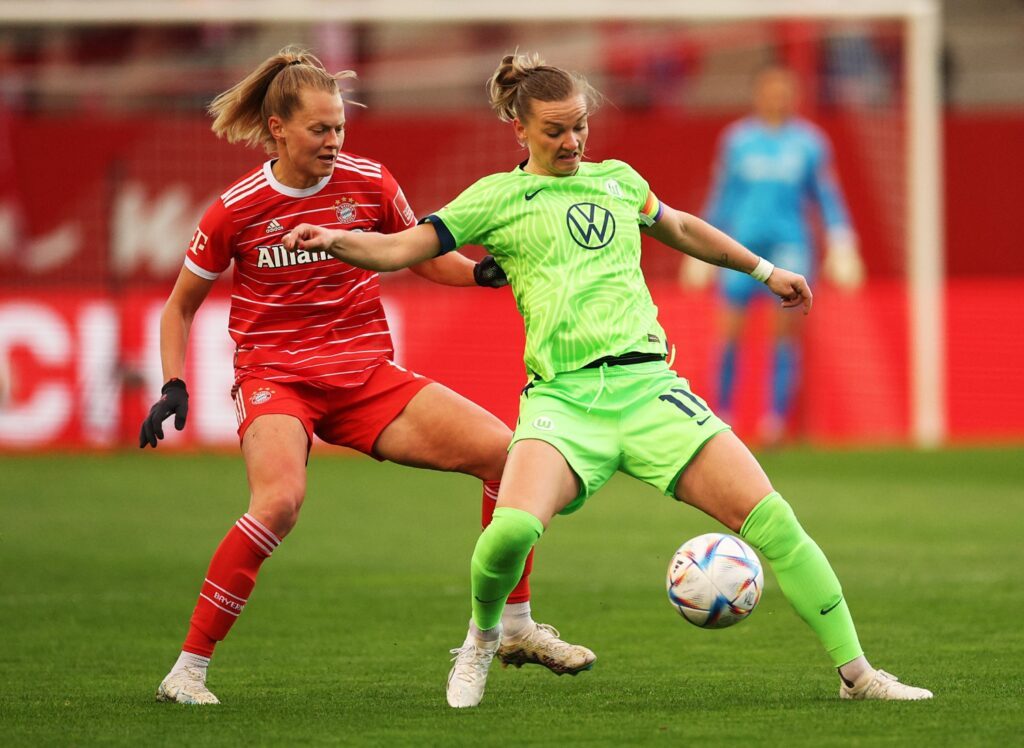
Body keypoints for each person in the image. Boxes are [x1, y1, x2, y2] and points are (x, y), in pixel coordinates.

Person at [281, 52, 933, 709]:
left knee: (776, 524)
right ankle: (482, 641)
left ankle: (859, 675)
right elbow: (402, 248)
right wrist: (334, 239)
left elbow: (677, 226)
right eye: (555, 130)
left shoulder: (619, 180)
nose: (571, 142)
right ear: (520, 130)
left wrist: (763, 271)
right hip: (563, 403)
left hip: (651, 391)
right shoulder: (495, 198)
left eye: (580, 127)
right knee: (509, 532)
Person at [140, 47, 594, 706]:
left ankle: (516, 626)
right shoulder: (236, 209)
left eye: (339, 129)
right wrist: (172, 382)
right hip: (277, 378)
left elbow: (424, 260)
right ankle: (188, 669)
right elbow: (180, 305)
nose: (333, 141)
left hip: (363, 376)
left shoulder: (370, 183)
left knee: (508, 456)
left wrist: (481, 273)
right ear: (278, 129)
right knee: (278, 503)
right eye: (319, 130)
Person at [682, 64, 865, 444]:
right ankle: (722, 417)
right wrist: (698, 250)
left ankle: (775, 421)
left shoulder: (809, 142)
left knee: (784, 334)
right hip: (741, 249)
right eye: (770, 89)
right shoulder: (738, 140)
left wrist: (842, 239)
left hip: (790, 247)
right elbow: (724, 195)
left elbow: (826, 196)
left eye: (784, 89)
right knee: (729, 331)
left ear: (793, 95)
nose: (777, 96)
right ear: (758, 93)